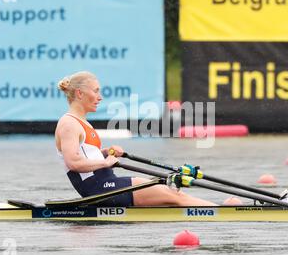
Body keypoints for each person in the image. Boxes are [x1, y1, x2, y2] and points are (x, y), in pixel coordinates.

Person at [55, 71, 220, 207]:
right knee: (173, 195)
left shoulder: (81, 123)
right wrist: (105, 163)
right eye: (96, 91)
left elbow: (86, 156)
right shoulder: (69, 124)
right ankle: (223, 211)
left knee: (172, 193)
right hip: (100, 190)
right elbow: (74, 162)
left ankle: (220, 208)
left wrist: (104, 153)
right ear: (79, 93)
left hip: (107, 184)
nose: (100, 97)